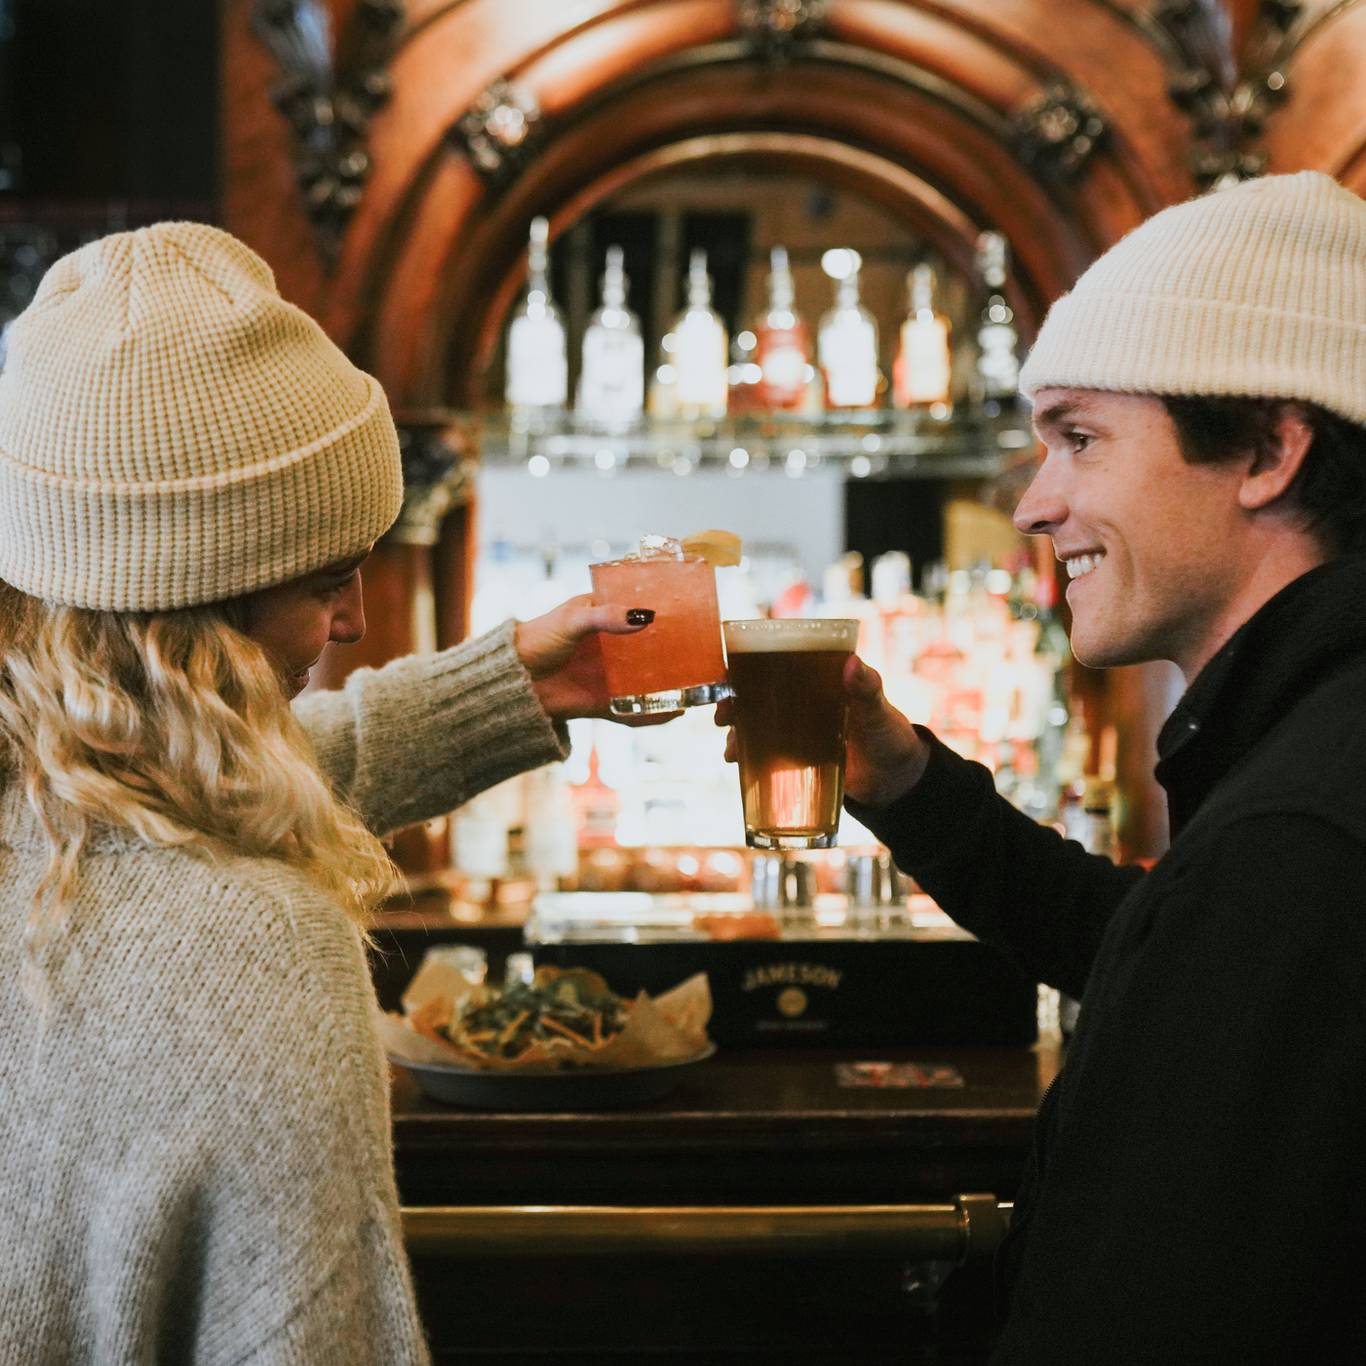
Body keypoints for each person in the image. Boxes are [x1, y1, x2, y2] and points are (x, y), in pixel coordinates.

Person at [0, 223, 659, 1364]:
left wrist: (508, 682)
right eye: (325, 579)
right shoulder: (254, 946)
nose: (352, 620)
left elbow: (219, 784)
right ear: (192, 605)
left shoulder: (43, 803)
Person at [835, 172, 1366, 1361]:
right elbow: (1171, 950)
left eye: (1080, 438)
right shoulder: (1305, 752)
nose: (1034, 504)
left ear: (1269, 450)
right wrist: (906, 783)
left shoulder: (1299, 834)